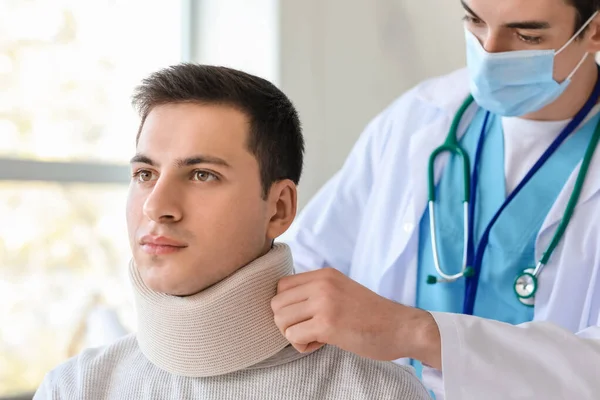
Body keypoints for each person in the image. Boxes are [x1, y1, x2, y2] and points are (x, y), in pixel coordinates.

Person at [33, 64, 430, 399]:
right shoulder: (74, 388)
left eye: (202, 175)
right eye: (145, 174)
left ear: (279, 208)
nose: (156, 205)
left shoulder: (378, 393)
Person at [274, 0, 600, 399]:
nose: (490, 51)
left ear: (594, 31)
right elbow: (305, 258)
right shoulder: (420, 116)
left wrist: (415, 333)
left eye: (526, 35)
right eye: (475, 20)